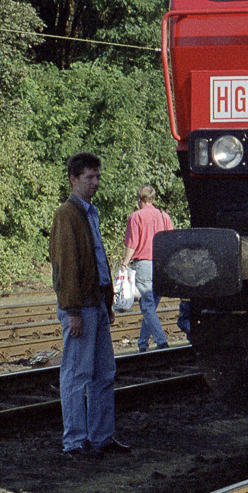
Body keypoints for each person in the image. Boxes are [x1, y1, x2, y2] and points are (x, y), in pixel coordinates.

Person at [49, 151, 130, 457]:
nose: (95, 182)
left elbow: (98, 259)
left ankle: (101, 438)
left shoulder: (90, 213)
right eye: (89, 177)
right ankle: (74, 442)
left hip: (94, 303)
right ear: (73, 179)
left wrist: (106, 302)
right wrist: (72, 310)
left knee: (104, 373)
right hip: (80, 306)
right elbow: (65, 264)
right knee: (76, 374)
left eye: (98, 177)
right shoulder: (67, 214)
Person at [122, 185, 174, 352]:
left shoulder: (136, 216)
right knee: (150, 307)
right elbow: (170, 241)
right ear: (153, 199)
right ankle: (142, 344)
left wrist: (124, 264)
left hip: (144, 264)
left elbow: (133, 243)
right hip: (161, 265)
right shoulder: (164, 216)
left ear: (139, 199)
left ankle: (161, 341)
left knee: (147, 306)